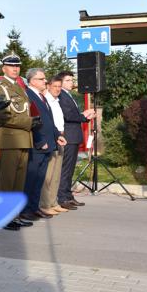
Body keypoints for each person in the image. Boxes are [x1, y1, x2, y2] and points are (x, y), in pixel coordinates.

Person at [0, 55, 35, 231]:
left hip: (24, 138)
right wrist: (28, 123)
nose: (15, 69)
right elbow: (2, 115)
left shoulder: (20, 86)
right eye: (11, 66)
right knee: (7, 181)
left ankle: (14, 216)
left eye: (17, 66)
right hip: (10, 138)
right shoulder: (0, 87)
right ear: (3, 68)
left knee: (18, 182)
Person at [21, 68, 66, 221]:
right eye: (41, 79)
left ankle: (34, 208)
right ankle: (26, 210)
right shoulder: (28, 96)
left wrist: (57, 135)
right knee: (31, 179)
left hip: (48, 143)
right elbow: (33, 121)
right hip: (37, 144)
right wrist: (40, 141)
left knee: (39, 179)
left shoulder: (41, 96)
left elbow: (48, 121)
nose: (45, 81)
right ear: (32, 81)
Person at [56, 71, 95, 210]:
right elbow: (68, 115)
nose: (71, 82)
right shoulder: (60, 95)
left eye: (72, 80)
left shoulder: (68, 95)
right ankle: (62, 197)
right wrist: (84, 116)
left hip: (73, 136)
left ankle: (68, 195)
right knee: (66, 169)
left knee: (70, 168)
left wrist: (83, 115)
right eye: (68, 80)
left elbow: (72, 114)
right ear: (60, 82)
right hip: (68, 136)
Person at [39, 76, 70, 216]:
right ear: (48, 86)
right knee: (48, 175)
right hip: (53, 138)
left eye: (59, 86)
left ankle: (53, 202)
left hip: (60, 137)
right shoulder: (47, 101)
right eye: (55, 86)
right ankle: (45, 204)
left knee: (57, 174)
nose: (57, 89)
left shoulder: (57, 101)